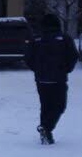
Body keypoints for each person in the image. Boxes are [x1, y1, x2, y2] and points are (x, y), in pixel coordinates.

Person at [24, 13, 78, 145]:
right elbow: (73, 56)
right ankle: (46, 128)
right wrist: (66, 69)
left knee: (46, 106)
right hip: (58, 79)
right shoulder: (64, 38)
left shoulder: (36, 39)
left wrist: (37, 69)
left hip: (41, 80)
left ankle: (45, 130)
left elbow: (28, 58)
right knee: (59, 106)